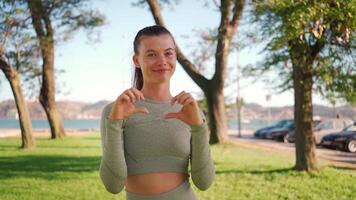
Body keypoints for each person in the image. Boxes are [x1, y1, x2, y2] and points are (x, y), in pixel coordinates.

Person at [99, 25, 215, 200]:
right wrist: (114, 122)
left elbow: (204, 182)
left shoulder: (190, 110)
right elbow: (113, 185)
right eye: (151, 54)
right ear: (137, 60)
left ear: (175, 56)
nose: (162, 61)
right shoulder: (116, 110)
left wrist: (199, 128)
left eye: (168, 53)